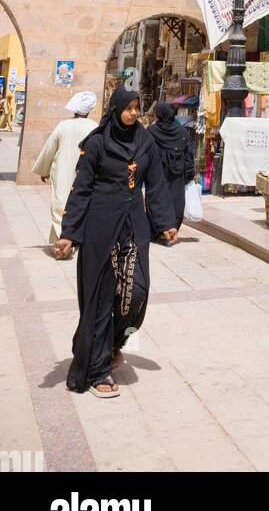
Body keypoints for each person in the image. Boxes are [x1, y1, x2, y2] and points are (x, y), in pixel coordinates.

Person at [53, 85, 177, 398]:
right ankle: (97, 370)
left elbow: (157, 184)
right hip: (99, 228)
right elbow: (81, 189)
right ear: (116, 108)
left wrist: (165, 224)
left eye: (138, 107)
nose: (135, 113)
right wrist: (69, 233)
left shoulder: (146, 141)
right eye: (130, 107)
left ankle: (112, 344)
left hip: (133, 227)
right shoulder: (96, 143)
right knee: (100, 299)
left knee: (136, 292)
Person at [31, 91, 99, 248]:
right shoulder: (95, 127)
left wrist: (44, 170)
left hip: (63, 170)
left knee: (61, 204)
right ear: (89, 110)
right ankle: (73, 240)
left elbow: (50, 148)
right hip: (86, 173)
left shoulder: (63, 126)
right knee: (82, 204)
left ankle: (62, 241)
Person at [149, 101, 195, 235]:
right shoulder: (182, 132)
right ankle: (172, 229)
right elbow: (188, 156)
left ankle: (158, 231)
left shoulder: (151, 131)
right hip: (177, 174)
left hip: (156, 174)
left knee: (157, 199)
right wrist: (188, 175)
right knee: (176, 200)